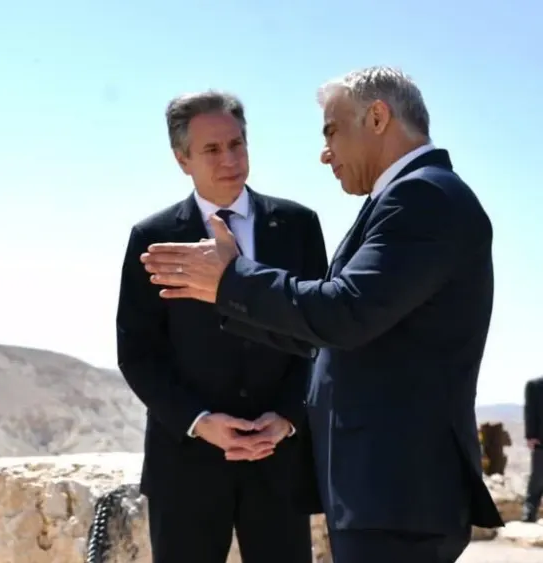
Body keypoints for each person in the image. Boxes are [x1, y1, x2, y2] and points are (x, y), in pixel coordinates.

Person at [139, 66, 504, 563]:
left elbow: (344, 312)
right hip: (381, 494)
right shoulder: (403, 199)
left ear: (377, 118)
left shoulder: (423, 198)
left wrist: (231, 282)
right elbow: (334, 332)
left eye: (332, 130)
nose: (325, 151)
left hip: (398, 491)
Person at [116, 90, 328, 563]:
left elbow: (319, 336)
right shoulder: (153, 238)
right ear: (182, 159)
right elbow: (138, 353)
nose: (229, 159)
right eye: (212, 149)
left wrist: (288, 418)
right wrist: (200, 422)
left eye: (237, 144)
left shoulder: (298, 226)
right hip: (185, 465)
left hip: (279, 464)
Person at [525, 375, 543, 522]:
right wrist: (530, 435)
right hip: (541, 440)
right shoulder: (535, 385)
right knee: (538, 477)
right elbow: (530, 411)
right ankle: (529, 512)